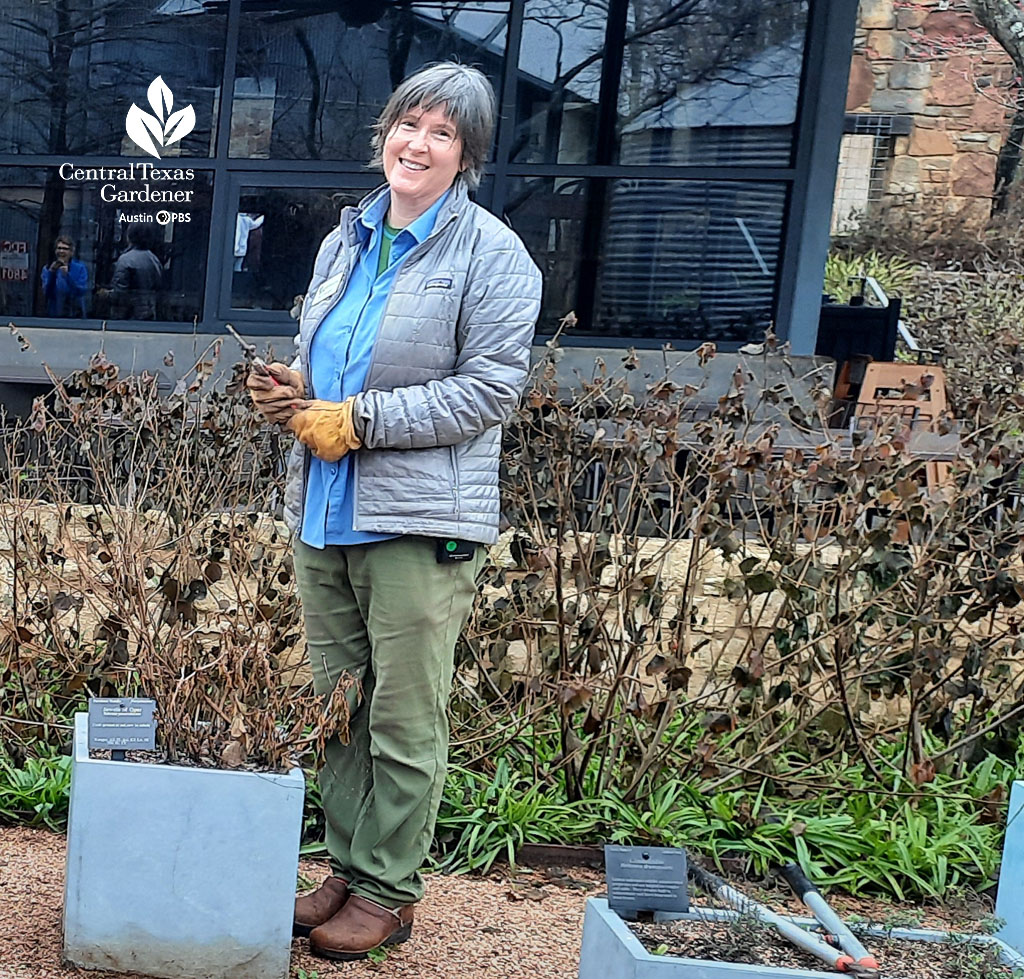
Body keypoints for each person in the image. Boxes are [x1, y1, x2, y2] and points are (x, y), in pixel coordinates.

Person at [247, 62, 542, 962]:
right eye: (407, 125)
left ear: (467, 155)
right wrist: (296, 396)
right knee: (337, 705)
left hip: (420, 524)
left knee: (404, 716)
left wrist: (359, 421)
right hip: (326, 513)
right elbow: (331, 364)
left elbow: (491, 391)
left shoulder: (492, 255)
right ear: (384, 134)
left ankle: (388, 888)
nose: (417, 144)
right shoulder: (345, 241)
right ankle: (346, 865)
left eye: (442, 133)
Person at [101, 223, 163, 320]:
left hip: (128, 316)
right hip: (149, 314)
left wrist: (105, 294)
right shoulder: (154, 259)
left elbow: (119, 295)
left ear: (130, 236)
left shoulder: (126, 260)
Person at [40, 235, 88, 318]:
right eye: (59, 248)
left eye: (65, 249)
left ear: (71, 252)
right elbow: (47, 293)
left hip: (75, 314)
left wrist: (67, 276)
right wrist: (52, 274)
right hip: (54, 314)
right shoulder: (48, 268)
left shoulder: (80, 268)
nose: (61, 251)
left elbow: (81, 291)